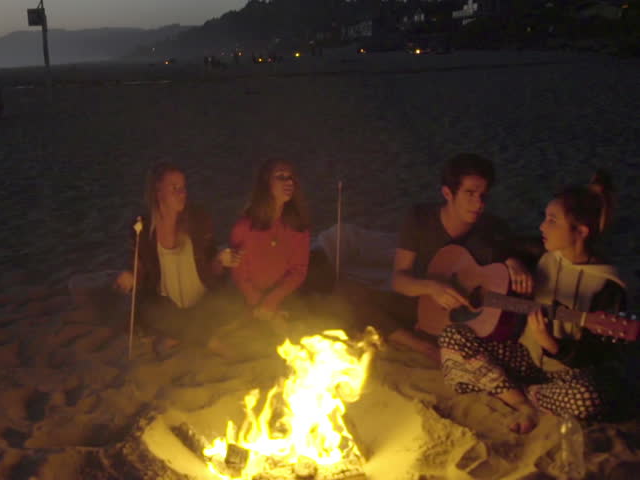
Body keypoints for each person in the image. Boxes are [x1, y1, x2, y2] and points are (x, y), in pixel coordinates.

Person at [438, 171, 627, 433]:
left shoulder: (608, 285)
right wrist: (512, 262)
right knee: (452, 337)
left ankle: (521, 395)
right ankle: (522, 401)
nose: (542, 227)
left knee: (589, 398)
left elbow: (597, 355)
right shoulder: (544, 253)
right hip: (524, 357)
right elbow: (489, 241)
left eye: (552, 220)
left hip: (566, 375)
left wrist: (551, 343)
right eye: (544, 218)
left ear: (580, 231)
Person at [343, 153, 533, 363]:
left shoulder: (492, 228)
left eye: (484, 195)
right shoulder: (420, 219)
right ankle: (420, 346)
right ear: (447, 193)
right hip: (419, 299)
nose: (478, 203)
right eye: (470, 193)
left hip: (460, 319)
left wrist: (514, 261)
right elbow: (399, 280)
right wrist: (432, 287)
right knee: (352, 297)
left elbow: (506, 261)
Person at [114, 163, 241, 355]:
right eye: (174, 188)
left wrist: (221, 259)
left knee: (231, 301)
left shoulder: (197, 219)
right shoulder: (142, 229)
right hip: (167, 305)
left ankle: (177, 335)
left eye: (183, 187)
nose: (182, 193)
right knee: (150, 309)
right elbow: (139, 270)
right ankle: (208, 340)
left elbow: (212, 265)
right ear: (157, 191)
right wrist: (130, 276)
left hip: (200, 301)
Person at [230, 159, 310, 336]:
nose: (288, 182)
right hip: (249, 301)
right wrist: (260, 306)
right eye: (281, 177)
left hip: (284, 298)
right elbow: (239, 275)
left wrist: (272, 302)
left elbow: (298, 270)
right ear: (266, 183)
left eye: (290, 177)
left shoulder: (297, 227)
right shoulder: (244, 227)